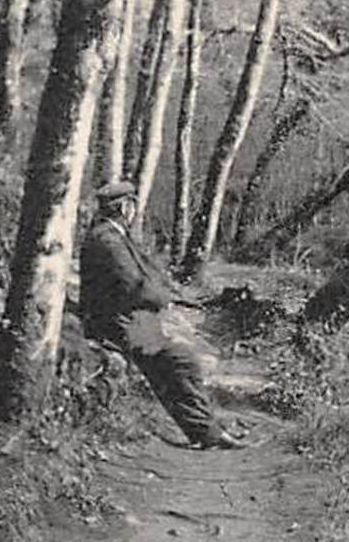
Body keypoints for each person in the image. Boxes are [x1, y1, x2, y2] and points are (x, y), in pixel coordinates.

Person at [79, 181, 244, 450]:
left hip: (128, 317)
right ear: (124, 207)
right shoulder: (107, 240)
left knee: (188, 353)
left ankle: (210, 428)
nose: (135, 211)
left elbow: (149, 276)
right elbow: (133, 284)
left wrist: (178, 297)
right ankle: (207, 433)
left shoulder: (114, 235)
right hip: (116, 323)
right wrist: (167, 303)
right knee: (180, 359)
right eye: (132, 206)